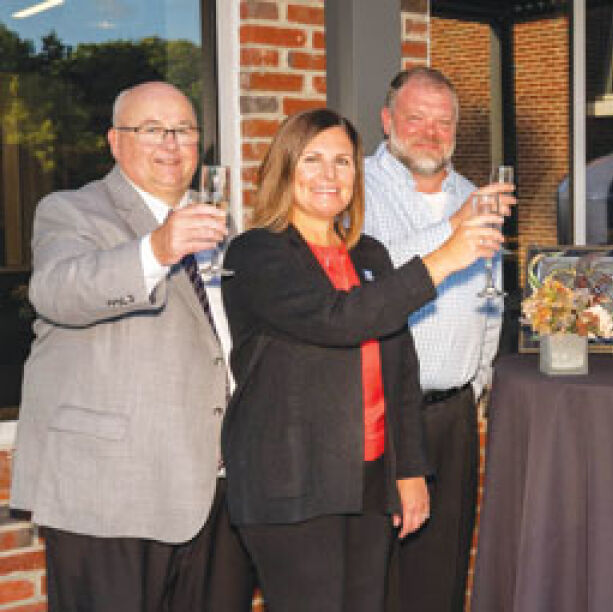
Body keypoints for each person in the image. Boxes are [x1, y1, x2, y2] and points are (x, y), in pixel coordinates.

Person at [219, 108, 503, 612]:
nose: (330, 176)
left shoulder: (368, 254)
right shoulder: (257, 253)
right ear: (284, 170)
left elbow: (399, 369)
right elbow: (339, 318)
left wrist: (410, 469)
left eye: (343, 162)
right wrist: (442, 259)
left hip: (369, 478)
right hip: (293, 483)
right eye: (312, 160)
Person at [10, 81, 256, 610]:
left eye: (185, 130)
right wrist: (157, 248)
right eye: (151, 130)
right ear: (115, 142)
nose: (171, 143)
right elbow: (57, 291)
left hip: (219, 486)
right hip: (112, 491)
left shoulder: (222, 224)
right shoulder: (72, 211)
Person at [362, 66, 513, 612]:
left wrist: (480, 381)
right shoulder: (353, 187)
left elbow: (488, 298)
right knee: (378, 578)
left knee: (442, 577)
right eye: (416, 118)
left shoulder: (474, 194)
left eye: (443, 121)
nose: (430, 132)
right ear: (387, 120)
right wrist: (453, 228)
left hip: (452, 415)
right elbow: (371, 282)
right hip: (378, 415)